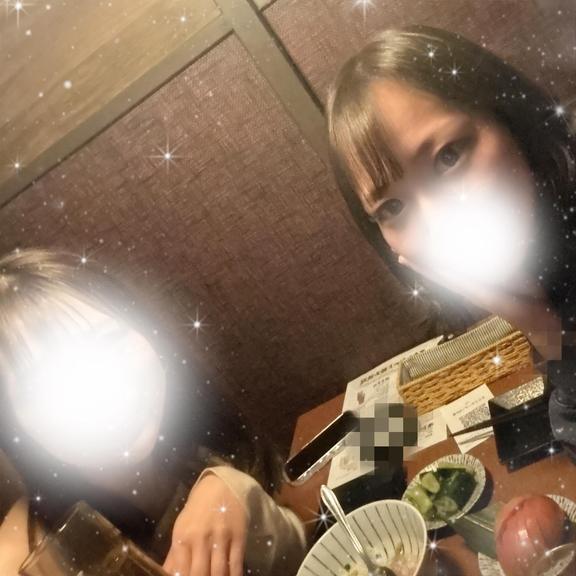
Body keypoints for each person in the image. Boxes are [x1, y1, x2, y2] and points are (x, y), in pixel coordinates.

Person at [326, 26, 576, 451]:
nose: (437, 223)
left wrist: (543, 327)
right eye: (392, 207)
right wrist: (541, 325)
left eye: (449, 155)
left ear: (509, 118)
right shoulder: (543, 265)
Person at [0, 248, 306, 576]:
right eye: (43, 387)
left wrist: (238, 493)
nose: (99, 386)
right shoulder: (32, 553)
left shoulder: (197, 430)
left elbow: (308, 542)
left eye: (107, 340)